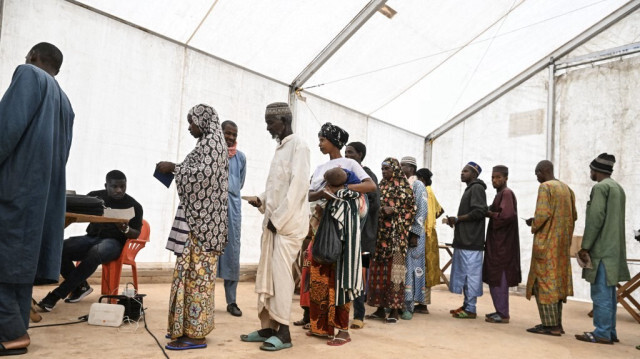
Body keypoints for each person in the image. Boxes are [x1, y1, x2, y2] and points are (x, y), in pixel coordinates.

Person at [0, 42, 74, 356]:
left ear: (32, 55)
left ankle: (13, 331)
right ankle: (15, 333)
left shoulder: (28, 74)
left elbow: (6, 129)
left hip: (15, 187)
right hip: (43, 197)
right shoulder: (66, 101)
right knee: (17, 269)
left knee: (3, 261)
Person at [157, 104, 229, 350]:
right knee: (189, 277)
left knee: (198, 280)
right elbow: (196, 171)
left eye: (192, 122)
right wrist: (176, 168)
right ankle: (184, 327)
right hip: (198, 223)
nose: (190, 127)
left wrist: (174, 168)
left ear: (204, 121)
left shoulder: (213, 145)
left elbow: (203, 178)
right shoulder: (206, 144)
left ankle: (196, 335)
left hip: (204, 227)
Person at [240, 102, 310, 351]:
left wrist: (277, 219)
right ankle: (269, 328)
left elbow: (298, 187)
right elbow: (276, 187)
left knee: (280, 278)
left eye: (271, 122)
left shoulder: (299, 147)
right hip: (272, 224)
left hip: (287, 227)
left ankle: (285, 334)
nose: (268, 127)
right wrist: (262, 200)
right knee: (267, 275)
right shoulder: (280, 148)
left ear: (284, 119)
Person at [306, 123, 375, 346]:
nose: (319, 143)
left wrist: (341, 191)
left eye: (322, 139)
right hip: (320, 225)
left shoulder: (350, 163)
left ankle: (343, 331)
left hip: (342, 228)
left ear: (333, 141)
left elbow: (370, 186)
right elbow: (308, 195)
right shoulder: (319, 168)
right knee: (320, 274)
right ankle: (321, 326)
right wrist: (323, 193)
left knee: (340, 275)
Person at [37, 170, 143, 310]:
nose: (119, 190)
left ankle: (55, 296)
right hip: (91, 238)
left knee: (95, 252)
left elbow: (135, 234)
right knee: (60, 248)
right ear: (106, 185)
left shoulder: (134, 206)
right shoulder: (95, 197)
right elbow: (77, 212)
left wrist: (125, 229)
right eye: (114, 186)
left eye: (122, 186)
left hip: (114, 243)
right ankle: (81, 287)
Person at [575, 153, 629, 345]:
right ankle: (610, 331)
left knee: (601, 293)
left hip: (602, 251)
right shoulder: (618, 188)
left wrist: (585, 246)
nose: (590, 172)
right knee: (610, 293)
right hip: (614, 249)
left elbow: (596, 219)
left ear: (597, 171)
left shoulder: (601, 187)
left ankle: (602, 333)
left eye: (591, 169)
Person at [525, 160, 576, 336]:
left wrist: (533, 224)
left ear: (542, 171)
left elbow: (542, 215)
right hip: (561, 245)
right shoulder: (566, 188)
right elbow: (573, 215)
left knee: (544, 284)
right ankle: (557, 324)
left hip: (546, 244)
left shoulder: (545, 187)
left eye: (536, 173)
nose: (536, 177)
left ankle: (550, 326)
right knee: (556, 284)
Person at [367, 158, 416, 323]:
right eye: (382, 169)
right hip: (380, 237)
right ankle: (380, 309)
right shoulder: (381, 186)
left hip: (396, 238)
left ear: (394, 169)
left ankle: (394, 310)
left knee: (394, 274)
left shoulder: (405, 188)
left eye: (386, 169)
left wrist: (394, 210)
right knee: (379, 273)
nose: (383, 172)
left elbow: (412, 210)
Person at [443, 162, 487, 319]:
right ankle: (467, 305)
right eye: (462, 170)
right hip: (465, 240)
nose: (462, 173)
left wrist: (458, 218)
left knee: (471, 275)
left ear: (474, 174)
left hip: (472, 242)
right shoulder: (471, 188)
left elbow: (480, 211)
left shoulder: (477, 188)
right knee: (465, 275)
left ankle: (471, 309)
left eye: (466, 171)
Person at [344, 142, 380, 330]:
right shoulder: (345, 173)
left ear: (360, 155)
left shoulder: (367, 176)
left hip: (364, 238)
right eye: (345, 152)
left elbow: (373, 205)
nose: (347, 155)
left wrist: (354, 202)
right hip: (348, 235)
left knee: (359, 275)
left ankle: (359, 314)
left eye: (351, 153)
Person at [483, 165, 521, 324]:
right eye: (493, 177)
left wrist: (490, 214)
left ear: (506, 178)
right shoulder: (500, 194)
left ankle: (503, 313)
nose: (495, 180)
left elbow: (507, 216)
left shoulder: (506, 193)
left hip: (503, 245)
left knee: (500, 277)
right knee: (495, 276)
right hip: (497, 243)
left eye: (498, 177)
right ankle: (499, 310)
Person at [217, 120, 247, 317]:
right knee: (208, 253)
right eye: (227, 133)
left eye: (233, 134)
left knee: (232, 254)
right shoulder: (211, 154)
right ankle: (203, 299)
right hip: (213, 208)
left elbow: (240, 183)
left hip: (233, 208)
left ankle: (232, 301)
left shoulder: (241, 158)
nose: (230, 138)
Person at [399, 156, 428, 320]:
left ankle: (408, 306)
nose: (401, 168)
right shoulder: (403, 184)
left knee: (410, 269)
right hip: (402, 234)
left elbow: (422, 210)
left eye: (404, 165)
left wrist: (415, 234)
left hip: (413, 236)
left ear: (411, 168)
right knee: (402, 270)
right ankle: (399, 303)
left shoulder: (418, 185)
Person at [416, 168, 444, 313]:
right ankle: (422, 302)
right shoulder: (430, 191)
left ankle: (423, 304)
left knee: (423, 266)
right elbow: (440, 210)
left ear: (421, 178)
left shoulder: (425, 191)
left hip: (425, 234)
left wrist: (427, 221)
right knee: (426, 266)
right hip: (430, 233)